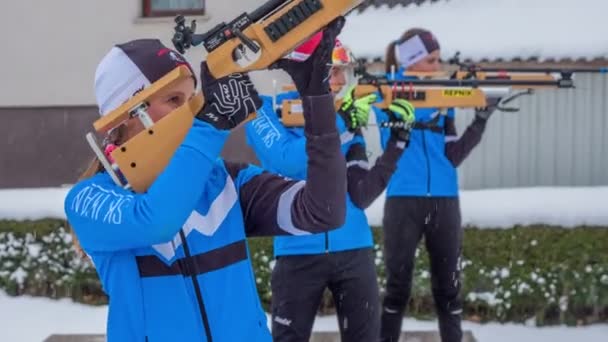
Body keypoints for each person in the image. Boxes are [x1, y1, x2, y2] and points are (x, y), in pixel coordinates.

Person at [64, 19, 348, 342]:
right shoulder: (89, 197)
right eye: (174, 101)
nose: (190, 113)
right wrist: (211, 125)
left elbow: (325, 210)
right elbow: (156, 220)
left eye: (192, 100)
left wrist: (317, 96)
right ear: (125, 113)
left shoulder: (224, 180)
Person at [244, 34, 416, 342]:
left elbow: (361, 194)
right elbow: (285, 160)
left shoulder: (347, 124)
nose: (339, 80)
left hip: (354, 250)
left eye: (344, 72)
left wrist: (397, 144)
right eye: (333, 70)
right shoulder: (267, 110)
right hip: (296, 251)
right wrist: (339, 125)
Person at [376, 29, 500, 342]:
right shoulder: (387, 92)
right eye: (433, 59)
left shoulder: (445, 95)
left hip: (444, 201)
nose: (439, 64)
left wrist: (480, 121)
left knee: (449, 290)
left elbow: (451, 155)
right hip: (403, 199)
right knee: (396, 289)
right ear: (413, 61)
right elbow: (390, 135)